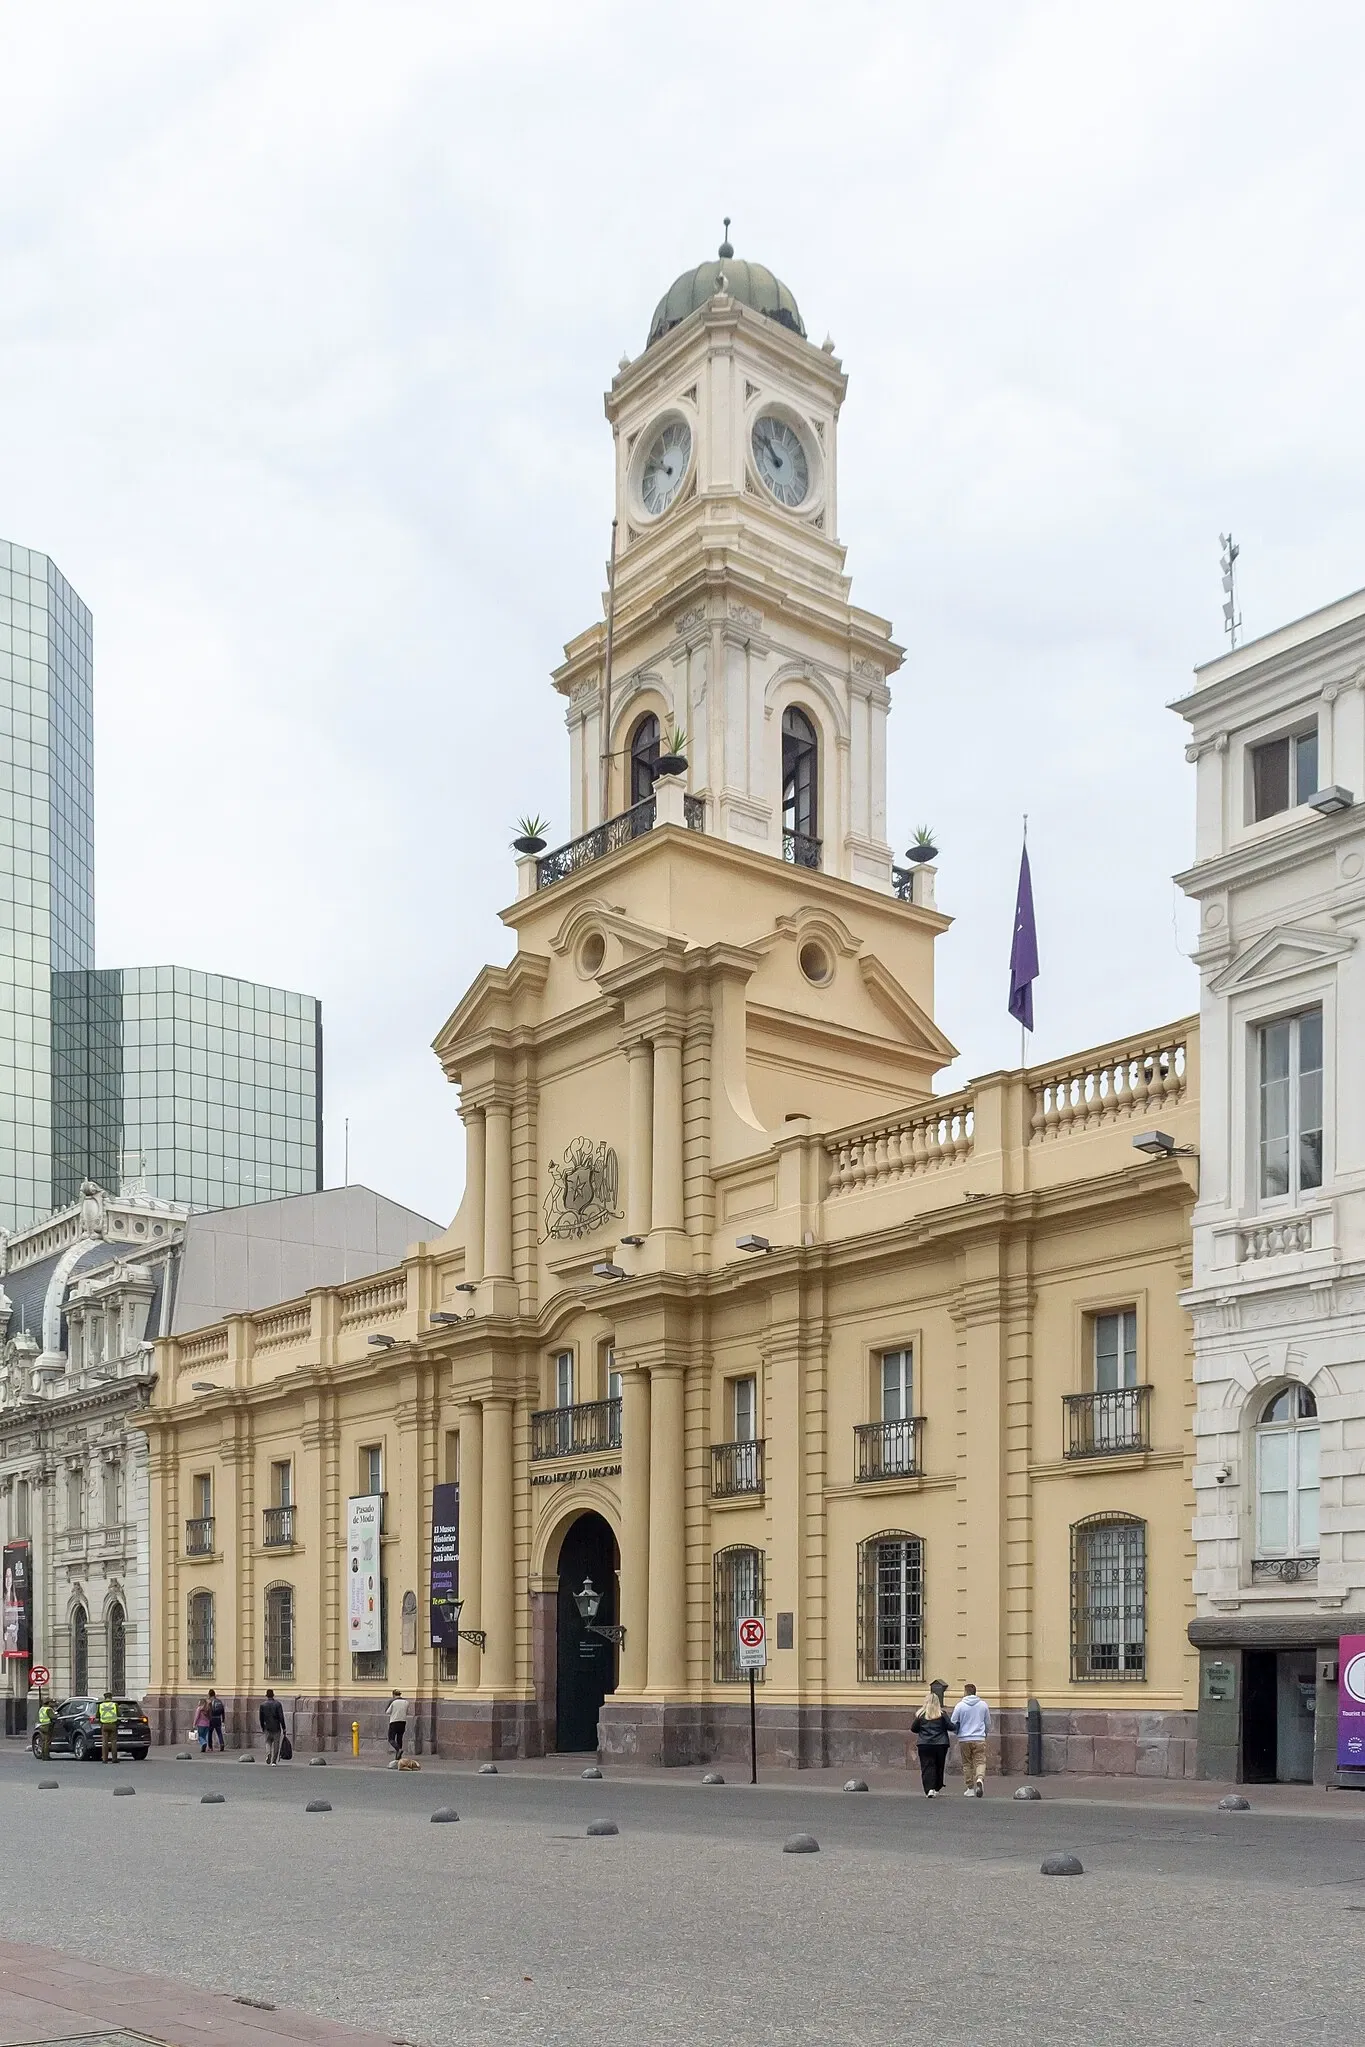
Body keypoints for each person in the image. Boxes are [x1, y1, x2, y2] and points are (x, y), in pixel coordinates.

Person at [910, 1679, 952, 1796]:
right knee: (939, 1766)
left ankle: (929, 1789)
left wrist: (923, 1730)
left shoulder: (921, 1715)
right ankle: (937, 1787)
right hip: (941, 1744)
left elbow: (913, 1728)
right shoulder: (942, 1714)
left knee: (927, 1766)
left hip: (924, 1744)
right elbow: (950, 1726)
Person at [950, 1681, 991, 1797]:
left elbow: (953, 1722)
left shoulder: (960, 1705)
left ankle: (970, 1788)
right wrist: (984, 1733)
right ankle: (980, 1779)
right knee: (980, 1761)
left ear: (965, 1692)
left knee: (967, 1763)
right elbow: (988, 1722)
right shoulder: (983, 1705)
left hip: (964, 1738)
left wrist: (957, 1732)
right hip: (979, 1738)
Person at [259, 1687, 286, 1764]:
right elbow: (281, 1717)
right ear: (273, 1695)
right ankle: (274, 1761)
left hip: (267, 1727)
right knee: (276, 1744)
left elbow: (261, 1718)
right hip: (276, 1727)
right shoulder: (278, 1704)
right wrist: (284, 1727)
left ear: (266, 1696)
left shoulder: (262, 1705)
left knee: (268, 1742)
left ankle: (268, 1753)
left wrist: (262, 1727)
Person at [386, 1690, 410, 1763]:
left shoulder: (393, 1702)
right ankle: (398, 1757)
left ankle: (398, 1749)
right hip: (403, 1721)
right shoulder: (406, 1702)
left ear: (393, 1695)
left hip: (394, 1721)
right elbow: (407, 1711)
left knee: (391, 1739)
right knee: (400, 1738)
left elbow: (387, 1711)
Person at [97, 1690, 119, 1764]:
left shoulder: (100, 1705)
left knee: (105, 1742)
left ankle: (105, 1759)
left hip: (104, 1725)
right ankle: (114, 1759)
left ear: (105, 1697)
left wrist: (101, 1723)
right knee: (113, 1742)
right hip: (113, 1725)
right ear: (111, 1697)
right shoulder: (114, 1705)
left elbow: (97, 1716)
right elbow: (118, 1714)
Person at [206, 1688, 226, 1752]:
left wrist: (208, 1718)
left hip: (212, 1718)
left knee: (210, 1732)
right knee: (219, 1732)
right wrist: (223, 1719)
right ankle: (222, 1743)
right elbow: (223, 1710)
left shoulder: (210, 1701)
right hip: (218, 1718)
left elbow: (208, 1710)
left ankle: (210, 1747)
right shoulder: (219, 1701)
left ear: (209, 1694)